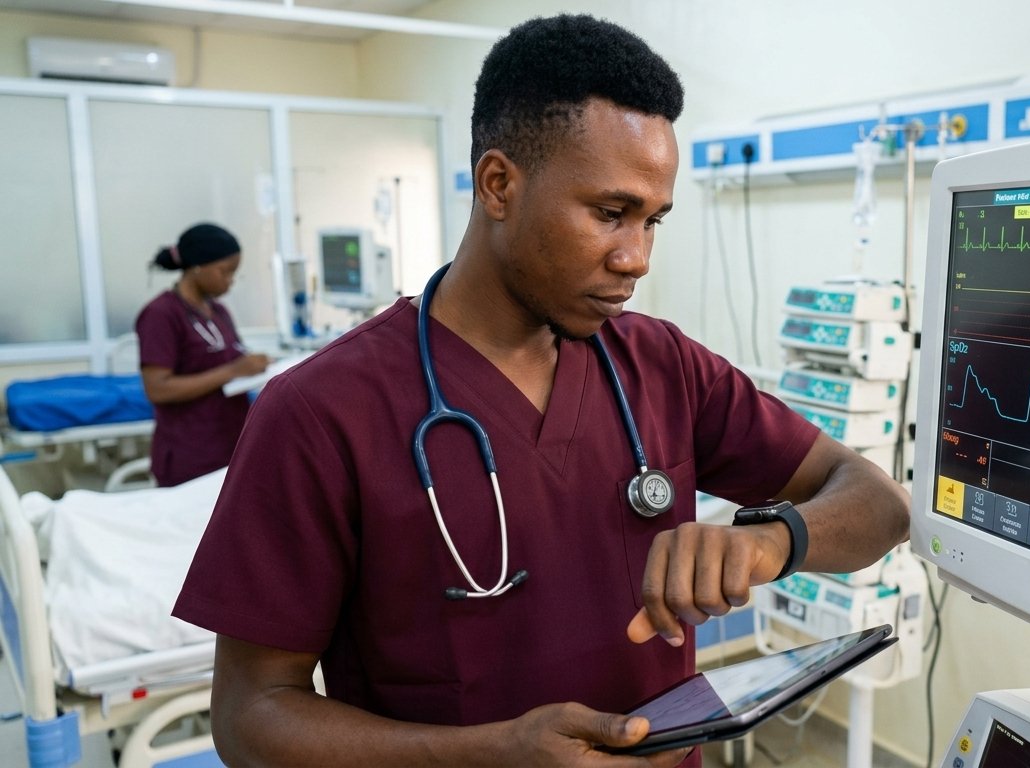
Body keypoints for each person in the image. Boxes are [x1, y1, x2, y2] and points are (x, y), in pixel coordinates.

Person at [173, 14, 909, 767]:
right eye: (610, 213)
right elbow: (249, 715)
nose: (637, 258)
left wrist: (769, 542)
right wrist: (486, 755)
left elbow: (881, 503)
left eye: (654, 221)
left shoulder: (665, 367)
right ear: (499, 185)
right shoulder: (321, 413)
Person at [136, 222, 269, 487]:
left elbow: (230, 358)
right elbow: (158, 389)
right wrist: (233, 371)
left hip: (229, 445)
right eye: (226, 271)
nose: (230, 281)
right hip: (191, 454)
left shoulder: (218, 311)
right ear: (198, 266)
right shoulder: (161, 314)